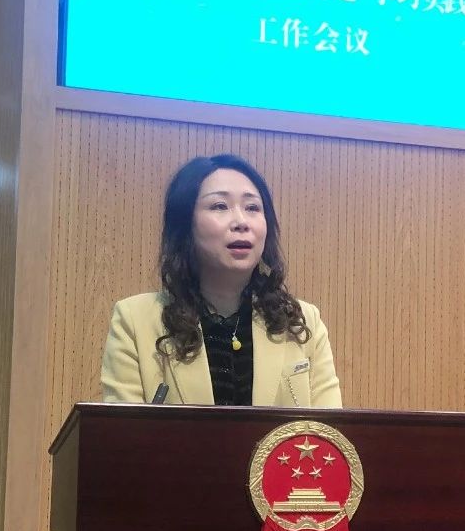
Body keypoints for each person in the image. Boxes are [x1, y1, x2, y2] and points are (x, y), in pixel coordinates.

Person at [100, 153, 341, 408]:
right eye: (219, 206)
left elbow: (331, 429)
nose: (241, 222)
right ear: (185, 225)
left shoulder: (303, 321)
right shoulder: (134, 321)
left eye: (252, 208)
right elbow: (122, 431)